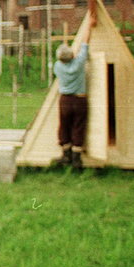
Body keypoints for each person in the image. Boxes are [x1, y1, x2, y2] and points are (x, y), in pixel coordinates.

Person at [53, 14, 96, 169]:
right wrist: (89, 25)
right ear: (72, 55)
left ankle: (65, 155)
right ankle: (77, 159)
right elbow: (85, 44)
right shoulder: (78, 63)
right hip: (79, 100)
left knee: (63, 126)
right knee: (78, 126)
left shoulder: (57, 66)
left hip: (65, 100)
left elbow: (72, 53)